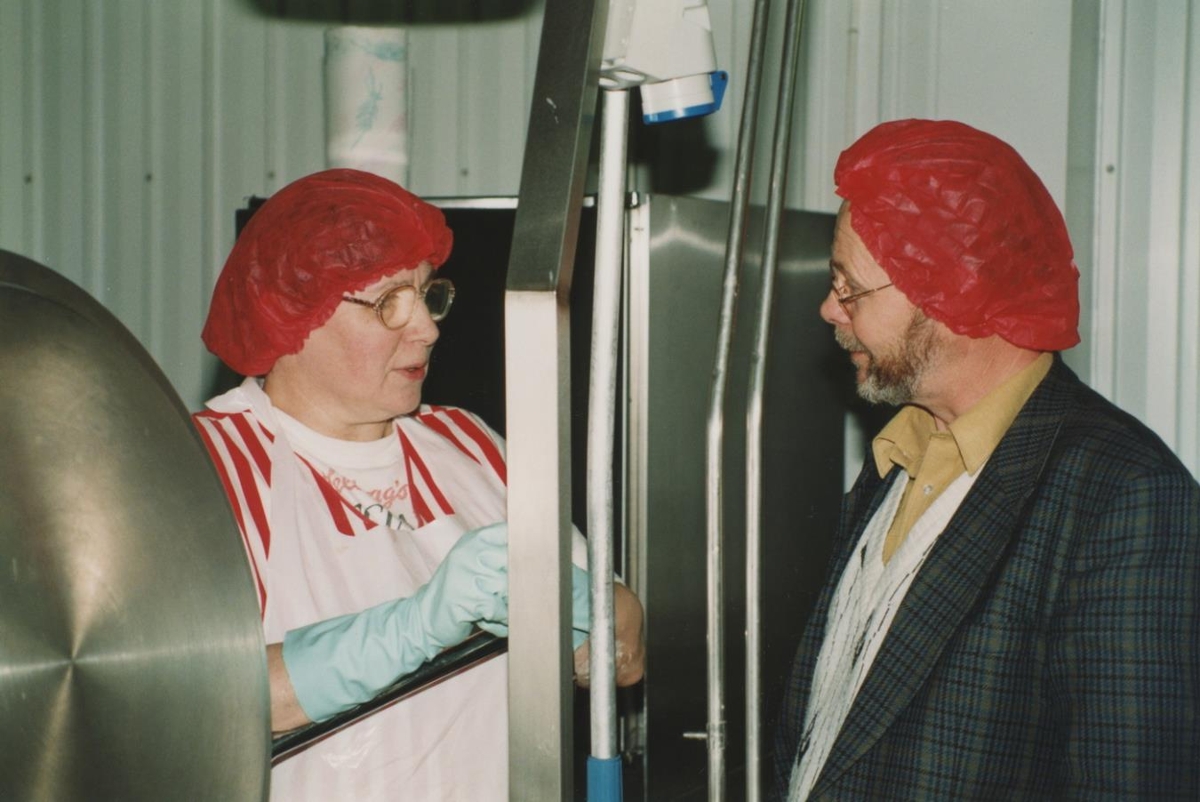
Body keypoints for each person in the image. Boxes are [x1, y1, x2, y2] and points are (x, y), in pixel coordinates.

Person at [770, 119, 1199, 800]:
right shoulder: (899, 453)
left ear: (950, 291)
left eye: (850, 287)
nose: (830, 309)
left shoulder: (1127, 499)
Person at [193, 168, 645, 800]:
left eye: (428, 295)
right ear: (295, 315)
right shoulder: (207, 467)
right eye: (390, 304)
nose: (427, 329)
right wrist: (413, 630)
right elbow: (185, 705)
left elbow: (626, 648)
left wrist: (579, 617)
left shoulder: (467, 442)